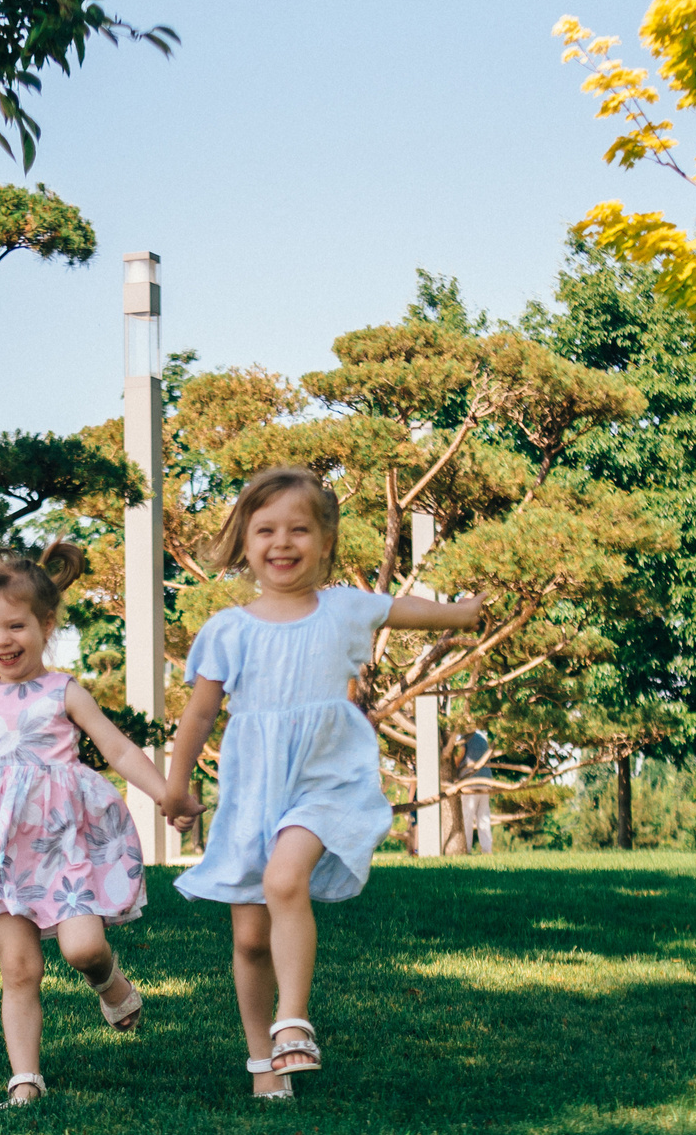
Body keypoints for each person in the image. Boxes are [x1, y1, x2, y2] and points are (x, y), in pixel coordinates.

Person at [162, 467, 485, 1100]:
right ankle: (264, 1063)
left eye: (299, 530)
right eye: (266, 530)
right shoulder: (229, 629)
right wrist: (176, 786)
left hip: (326, 779)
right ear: (245, 541)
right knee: (250, 939)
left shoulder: (340, 608)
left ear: (325, 541)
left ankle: (294, 1024)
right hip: (255, 791)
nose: (282, 543)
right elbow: (199, 714)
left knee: (286, 880)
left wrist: (461, 613)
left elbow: (401, 608)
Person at [0, 539, 168, 1110]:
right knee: (19, 968)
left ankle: (108, 981)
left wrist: (164, 792)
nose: (1, 642)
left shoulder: (63, 691)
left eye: (15, 627)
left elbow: (116, 749)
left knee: (83, 949)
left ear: (46, 625)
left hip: (62, 847)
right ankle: (24, 1080)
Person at [461, 726, 494, 854]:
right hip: (486, 779)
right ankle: (487, 850)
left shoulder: (463, 736)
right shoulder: (483, 735)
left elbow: (460, 753)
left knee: (467, 817)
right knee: (484, 816)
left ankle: (466, 849)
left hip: (470, 780)